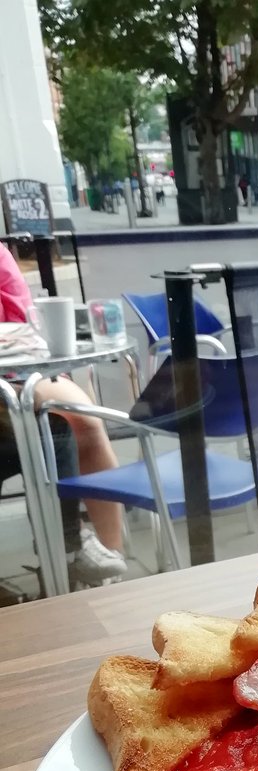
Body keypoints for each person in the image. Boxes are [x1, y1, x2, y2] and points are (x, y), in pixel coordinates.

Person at [0, 241, 127, 584]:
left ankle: (102, 560)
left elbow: (24, 326)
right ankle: (70, 548)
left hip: (12, 380)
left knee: (76, 417)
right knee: (51, 424)